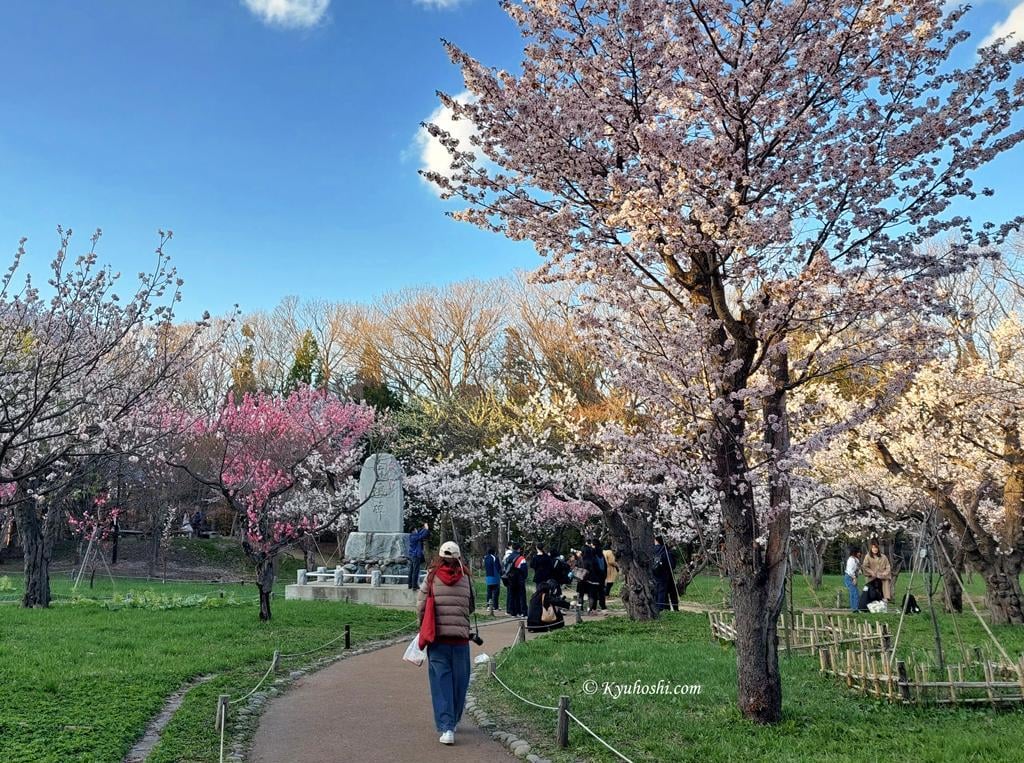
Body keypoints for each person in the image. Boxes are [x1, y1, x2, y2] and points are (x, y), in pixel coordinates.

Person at [417, 541, 474, 746]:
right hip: (460, 639)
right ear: (458, 557)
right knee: (460, 681)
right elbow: (471, 605)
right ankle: (455, 719)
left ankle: (447, 726)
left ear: (439, 557)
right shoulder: (466, 577)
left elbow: (421, 605)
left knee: (441, 683)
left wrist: (422, 627)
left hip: (438, 638)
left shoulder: (432, 576)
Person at [652, 536, 679, 611]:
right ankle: (661, 608)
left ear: (656, 540)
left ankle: (659, 607)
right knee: (663, 591)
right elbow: (672, 565)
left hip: (654, 573)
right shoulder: (665, 550)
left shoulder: (651, 550)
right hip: (664, 574)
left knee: (657, 591)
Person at [862, 538, 892, 603]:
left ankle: (886, 598)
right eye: (873, 548)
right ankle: (870, 598)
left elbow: (888, 566)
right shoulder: (867, 556)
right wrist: (871, 572)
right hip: (872, 575)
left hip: (882, 575)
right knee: (870, 584)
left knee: (885, 581)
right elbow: (865, 566)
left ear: (878, 548)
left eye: (876, 548)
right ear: (871, 549)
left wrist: (884, 573)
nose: (875, 549)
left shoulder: (883, 557)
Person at [503, 542, 529, 617]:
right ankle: (523, 612)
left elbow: (505, 568)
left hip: (510, 579)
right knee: (521, 596)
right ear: (519, 549)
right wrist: (523, 577)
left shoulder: (508, 557)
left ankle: (512, 611)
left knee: (512, 595)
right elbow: (524, 570)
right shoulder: (521, 558)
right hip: (519, 579)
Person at [407, 522, 430, 590]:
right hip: (415, 555)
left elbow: (420, 533)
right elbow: (422, 535)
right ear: (414, 530)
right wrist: (426, 528)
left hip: (412, 555)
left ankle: (410, 584)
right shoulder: (414, 536)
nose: (417, 530)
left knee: (411, 570)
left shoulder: (412, 536)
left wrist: (424, 528)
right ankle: (414, 585)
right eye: (416, 529)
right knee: (415, 571)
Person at [483, 546, 501, 613]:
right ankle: (495, 606)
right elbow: (498, 567)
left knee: (489, 592)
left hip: (488, 577)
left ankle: (488, 606)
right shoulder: (495, 558)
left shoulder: (485, 558)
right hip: (495, 577)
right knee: (496, 592)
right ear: (494, 552)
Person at [845, 547, 862, 612]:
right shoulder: (851, 560)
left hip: (853, 577)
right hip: (849, 577)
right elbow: (850, 571)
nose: (859, 554)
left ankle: (853, 608)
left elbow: (858, 567)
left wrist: (859, 570)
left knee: (853, 593)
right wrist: (854, 578)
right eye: (858, 552)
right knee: (855, 593)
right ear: (854, 553)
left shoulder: (856, 560)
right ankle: (855, 609)